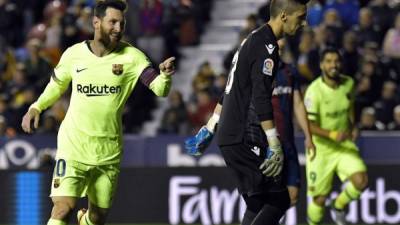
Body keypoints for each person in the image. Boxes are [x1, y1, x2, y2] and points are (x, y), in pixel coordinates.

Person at [20, 1, 176, 225]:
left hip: (108, 151)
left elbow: (160, 89)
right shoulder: (74, 54)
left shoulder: (132, 57)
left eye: (121, 23)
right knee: (63, 208)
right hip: (73, 146)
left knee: (97, 217)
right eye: (112, 22)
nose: (118, 28)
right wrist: (36, 107)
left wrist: (165, 75)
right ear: (96, 22)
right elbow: (56, 85)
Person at [186, 0, 309, 223]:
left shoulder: (251, 40)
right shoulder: (267, 47)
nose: (303, 23)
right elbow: (261, 97)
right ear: (283, 16)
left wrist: (211, 126)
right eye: (300, 17)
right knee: (279, 200)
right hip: (244, 135)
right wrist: (273, 142)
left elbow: (231, 88)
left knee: (257, 201)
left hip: (230, 135)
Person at [304, 48, 368, 225]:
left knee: (361, 181)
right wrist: (332, 134)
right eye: (329, 61)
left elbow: (350, 109)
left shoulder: (349, 84)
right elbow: (308, 125)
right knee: (319, 200)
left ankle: (338, 206)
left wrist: (353, 127)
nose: (334, 65)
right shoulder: (314, 91)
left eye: (336, 61)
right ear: (322, 65)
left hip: (343, 146)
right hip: (321, 149)